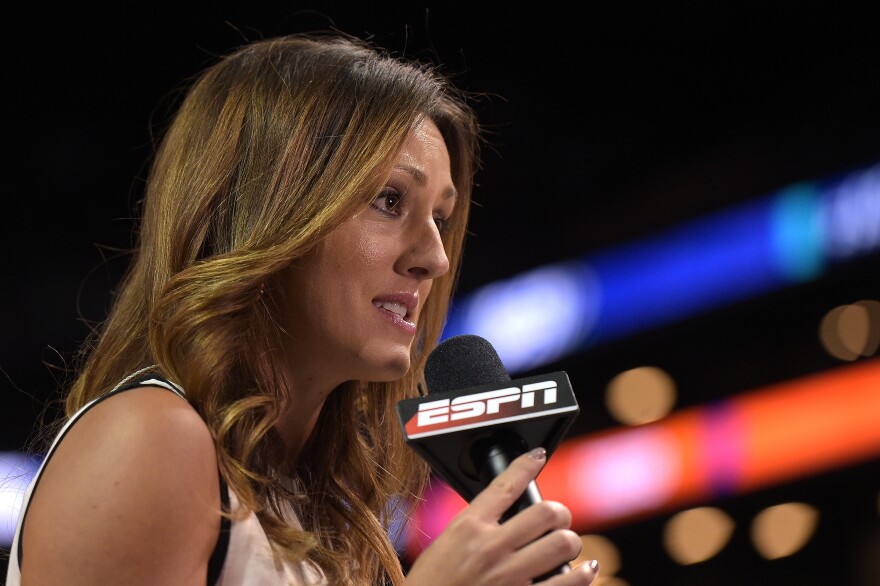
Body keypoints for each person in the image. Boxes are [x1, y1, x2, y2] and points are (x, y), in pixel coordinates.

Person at [7, 31, 600, 585]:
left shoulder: (320, 506)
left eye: (440, 219)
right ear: (271, 211)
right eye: (389, 200)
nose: (435, 260)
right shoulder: (150, 438)